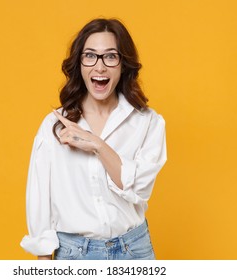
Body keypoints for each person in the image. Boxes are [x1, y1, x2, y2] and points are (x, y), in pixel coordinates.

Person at [20, 18, 167, 260]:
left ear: (123, 65)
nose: (100, 67)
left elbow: (138, 188)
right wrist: (43, 260)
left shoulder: (147, 123)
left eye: (110, 56)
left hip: (134, 251)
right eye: (90, 56)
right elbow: (40, 201)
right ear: (79, 64)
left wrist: (97, 145)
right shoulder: (54, 125)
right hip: (75, 255)